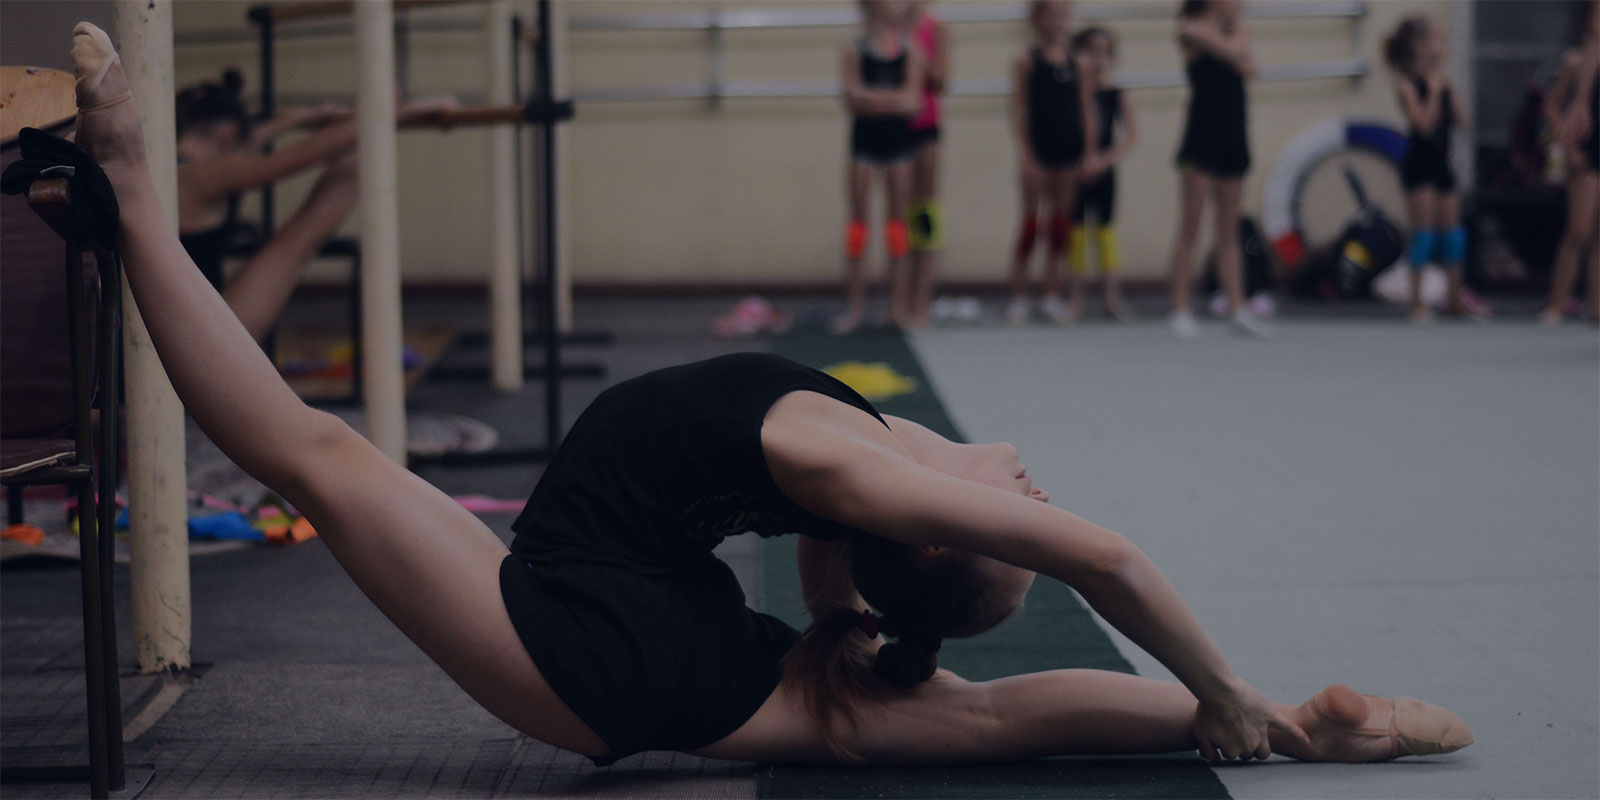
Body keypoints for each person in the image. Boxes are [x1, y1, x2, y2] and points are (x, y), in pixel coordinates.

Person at [69, 19, 1474, 770]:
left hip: (582, 633)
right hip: (659, 639)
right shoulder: (854, 471)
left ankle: (131, 192)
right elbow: (941, 630)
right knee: (971, 723)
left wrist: (1211, 680)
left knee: (315, 455)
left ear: (944, 528)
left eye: (1018, 508)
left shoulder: (864, 474)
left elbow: (1099, 558)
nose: (1032, 485)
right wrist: (1229, 699)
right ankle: (1298, 726)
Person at [174, 70, 454, 343]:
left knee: (356, 153)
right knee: (316, 214)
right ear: (227, 136)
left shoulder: (177, 166)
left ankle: (370, 128)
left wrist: (302, 118)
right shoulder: (199, 175)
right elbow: (303, 155)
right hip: (197, 338)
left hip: (190, 326)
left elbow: (249, 140)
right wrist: (395, 114)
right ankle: (375, 127)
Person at [1165, 0, 1269, 339]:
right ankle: (1179, 307)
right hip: (1201, 137)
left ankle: (1237, 306)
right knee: (1191, 225)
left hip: (1233, 135)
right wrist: (1238, 36)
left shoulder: (1231, 32)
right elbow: (1235, 52)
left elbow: (1251, 69)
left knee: (1229, 229)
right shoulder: (1191, 29)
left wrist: (1236, 39)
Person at [1384, 16, 1483, 323]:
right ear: (1419, 46)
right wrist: (1435, 92)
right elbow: (1423, 126)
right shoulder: (1407, 85)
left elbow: (1463, 121)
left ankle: (1455, 299)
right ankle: (1416, 302)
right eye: (1437, 39)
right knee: (1423, 234)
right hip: (1419, 166)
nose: (1443, 46)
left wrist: (1448, 91)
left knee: (1453, 236)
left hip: (1443, 164)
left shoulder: (1443, 81)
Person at [836, 0, 926, 334]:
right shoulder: (854, 49)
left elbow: (913, 101)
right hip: (864, 146)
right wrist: (893, 100)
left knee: (897, 227)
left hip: (898, 148)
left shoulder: (910, 51)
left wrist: (870, 99)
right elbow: (851, 97)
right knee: (858, 226)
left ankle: (897, 307)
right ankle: (856, 307)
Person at [1004, 0, 1096, 327]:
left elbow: (1086, 110)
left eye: (1062, 16)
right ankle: (1018, 296)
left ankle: (1051, 293)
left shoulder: (1079, 63)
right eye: (1050, 16)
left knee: (1060, 225)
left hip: (1068, 150)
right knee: (1031, 225)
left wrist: (1089, 153)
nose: (1056, 22)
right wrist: (1026, 155)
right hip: (1039, 151)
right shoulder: (1026, 61)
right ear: (1037, 20)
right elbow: (1019, 110)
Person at [1067, 26, 1136, 321]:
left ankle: (1111, 298)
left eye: (1104, 53)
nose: (1098, 60)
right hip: (1074, 169)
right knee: (1077, 233)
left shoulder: (1116, 94)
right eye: (1092, 52)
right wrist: (1082, 160)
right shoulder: (1071, 93)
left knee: (1105, 232)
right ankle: (1075, 300)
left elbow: (1130, 136)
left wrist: (1104, 159)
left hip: (1103, 169)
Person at [1538, 0, 1600, 327]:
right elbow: (1551, 105)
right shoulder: (1577, 61)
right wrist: (1567, 143)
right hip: (1586, 148)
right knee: (1579, 229)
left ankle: (1596, 305)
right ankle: (1556, 304)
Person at [903, 1, 948, 329]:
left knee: (924, 213)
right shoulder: (887, 28)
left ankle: (921, 299)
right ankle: (899, 299)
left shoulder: (937, 28)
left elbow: (942, 80)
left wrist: (917, 55)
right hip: (892, 127)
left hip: (926, 127)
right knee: (899, 217)